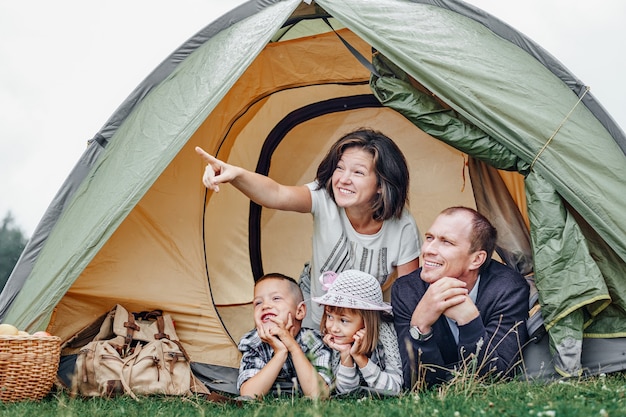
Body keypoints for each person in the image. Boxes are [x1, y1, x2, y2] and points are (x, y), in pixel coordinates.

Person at [196, 128, 421, 328]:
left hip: (361, 326)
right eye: (340, 168)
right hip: (314, 316)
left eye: (358, 172)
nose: (343, 179)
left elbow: (408, 296)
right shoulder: (324, 198)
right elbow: (276, 194)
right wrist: (235, 174)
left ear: (382, 184)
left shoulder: (402, 227)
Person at [391, 206, 529, 389]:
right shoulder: (407, 290)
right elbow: (417, 383)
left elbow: (497, 375)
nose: (428, 250)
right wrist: (420, 327)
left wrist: (469, 321)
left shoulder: (507, 289)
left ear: (476, 259)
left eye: (446, 242)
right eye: (429, 238)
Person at [237, 272, 333, 399]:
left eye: (276, 298)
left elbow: (319, 395)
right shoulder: (253, 342)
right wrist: (280, 353)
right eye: (258, 303)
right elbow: (249, 394)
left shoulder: (314, 341)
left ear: (299, 311)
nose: (265, 306)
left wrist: (293, 347)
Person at [312, 269, 403, 396]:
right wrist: (345, 354)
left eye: (343, 320)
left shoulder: (387, 336)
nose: (333, 328)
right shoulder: (333, 340)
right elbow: (346, 393)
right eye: (329, 316)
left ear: (367, 322)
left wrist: (360, 358)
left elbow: (394, 389)